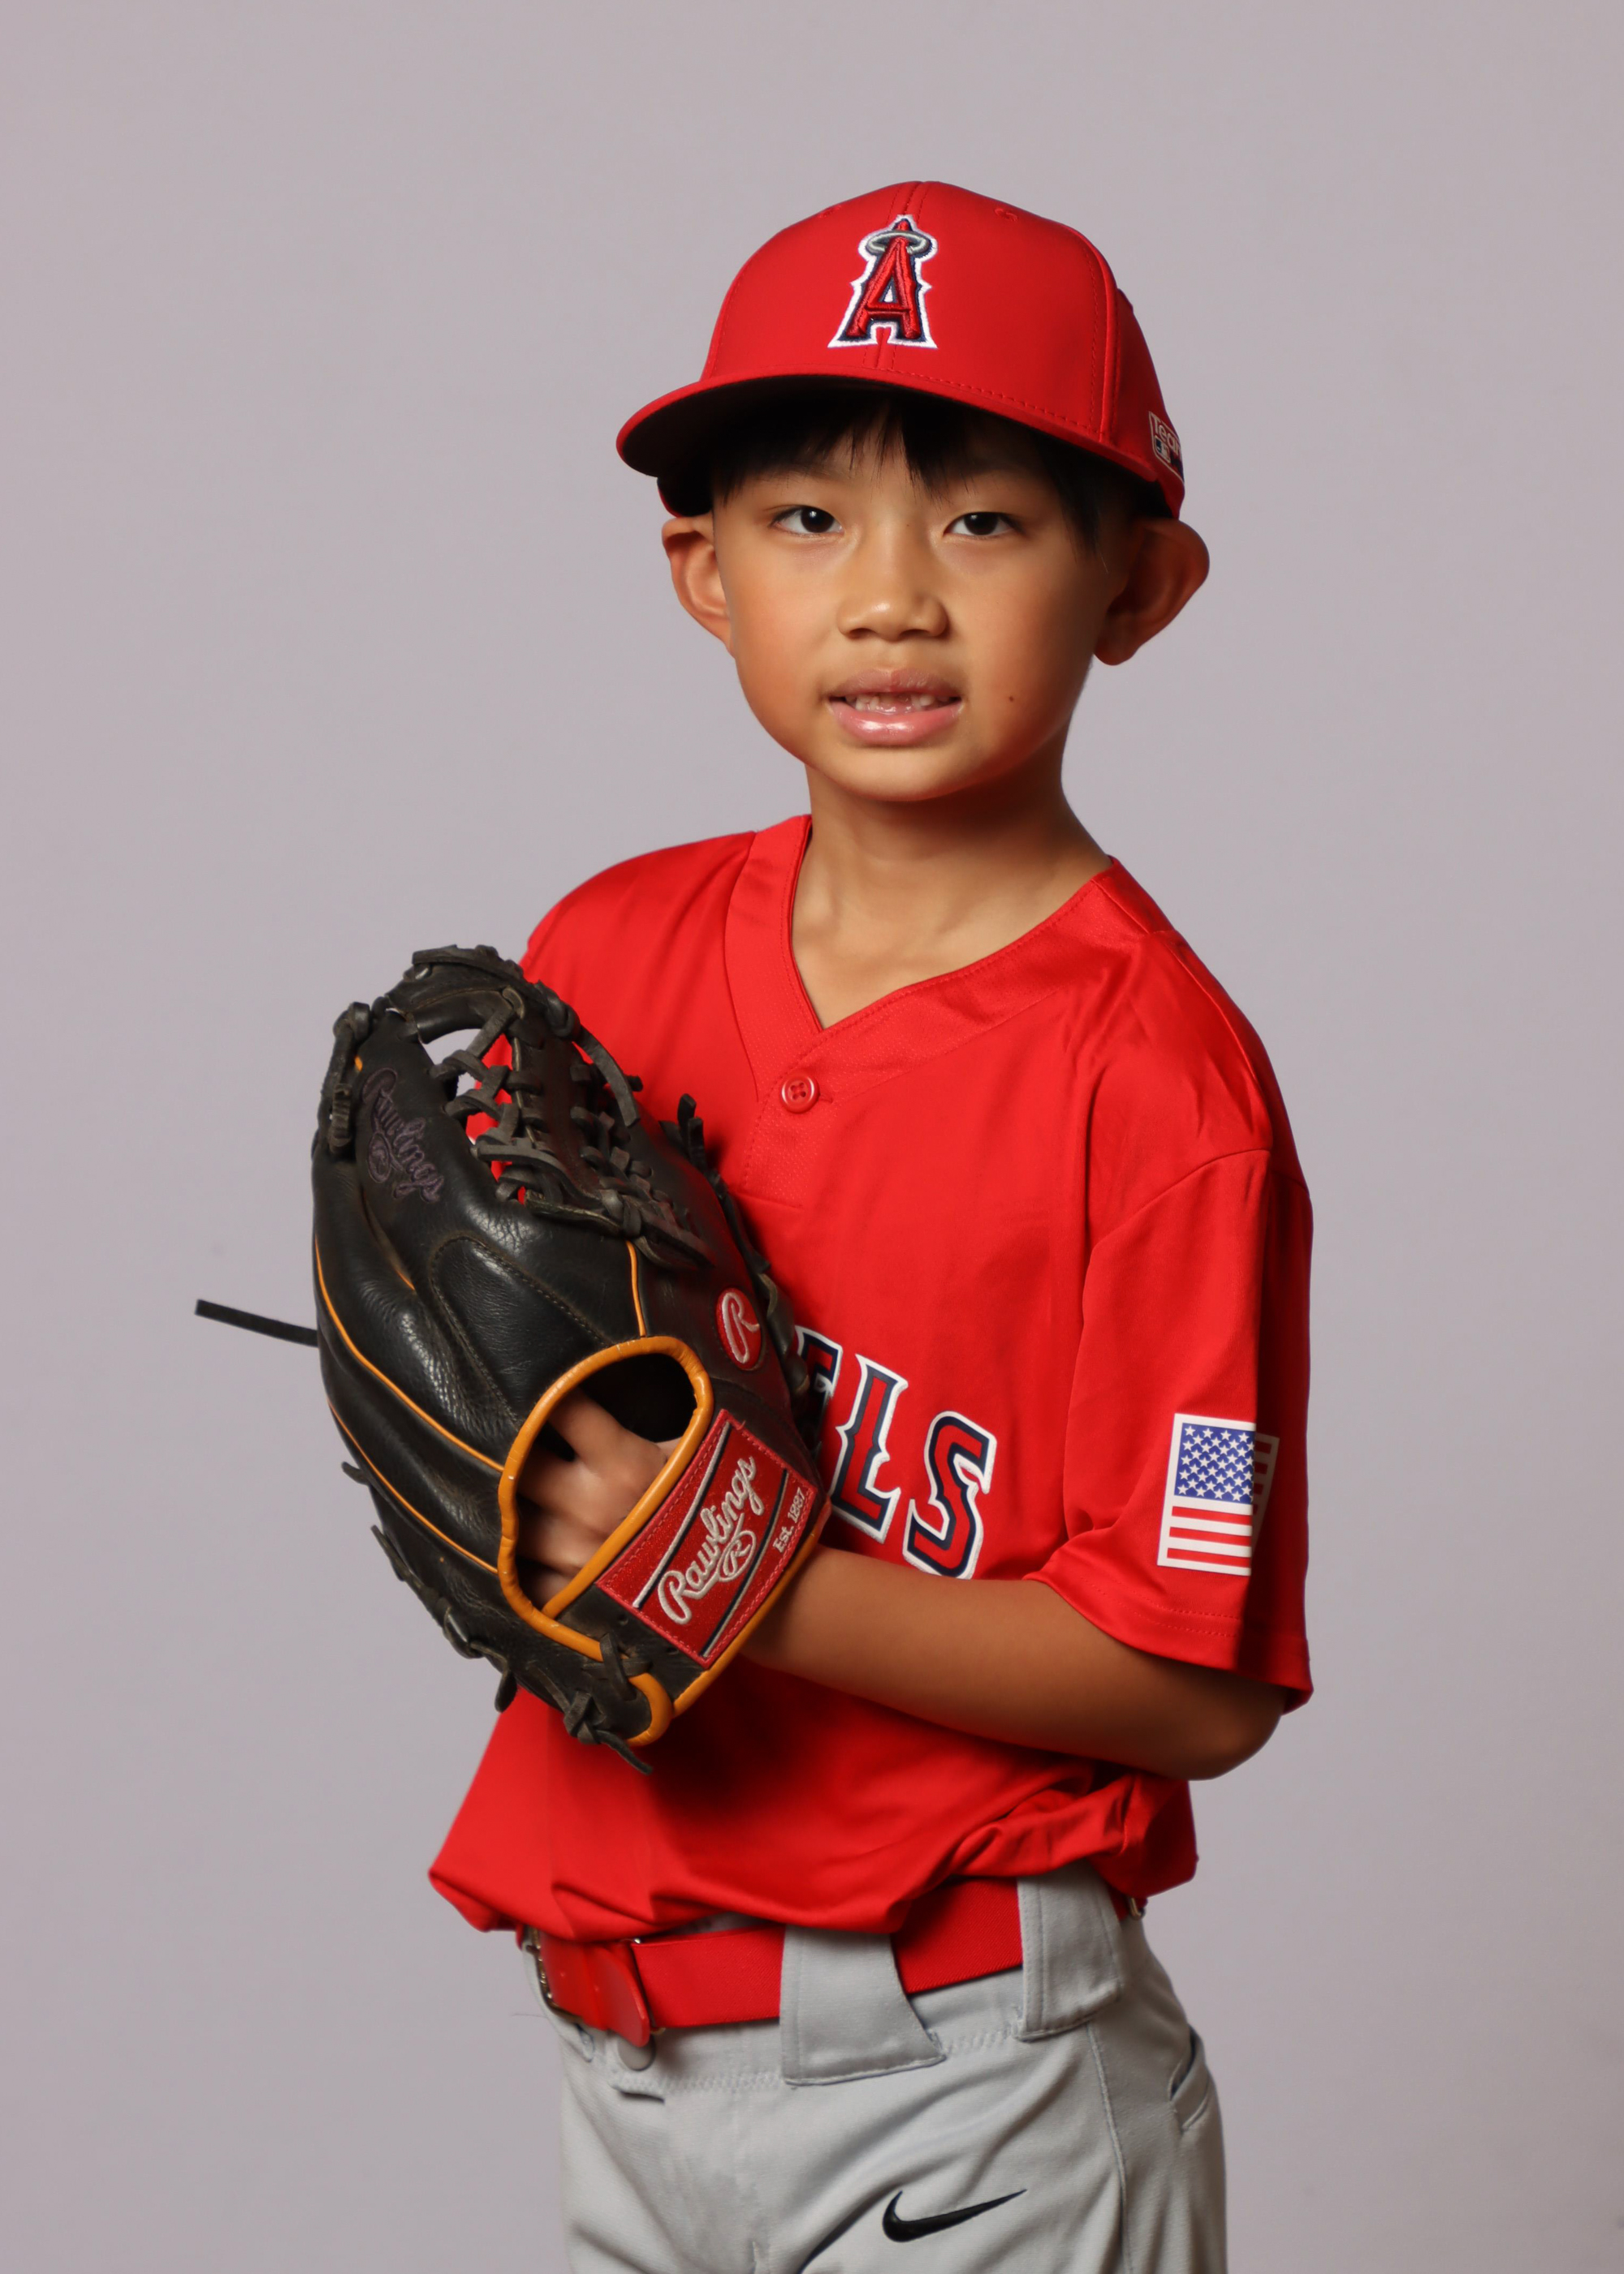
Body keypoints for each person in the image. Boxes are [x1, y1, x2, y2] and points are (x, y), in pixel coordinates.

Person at [429, 180, 1311, 2273]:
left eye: (985, 521)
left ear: (1138, 583)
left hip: (975, 2078)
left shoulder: (1164, 1087)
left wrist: (727, 1562)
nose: (892, 597)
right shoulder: (607, 956)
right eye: (809, 518)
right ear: (704, 572)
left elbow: (1196, 1684)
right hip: (621, 2050)